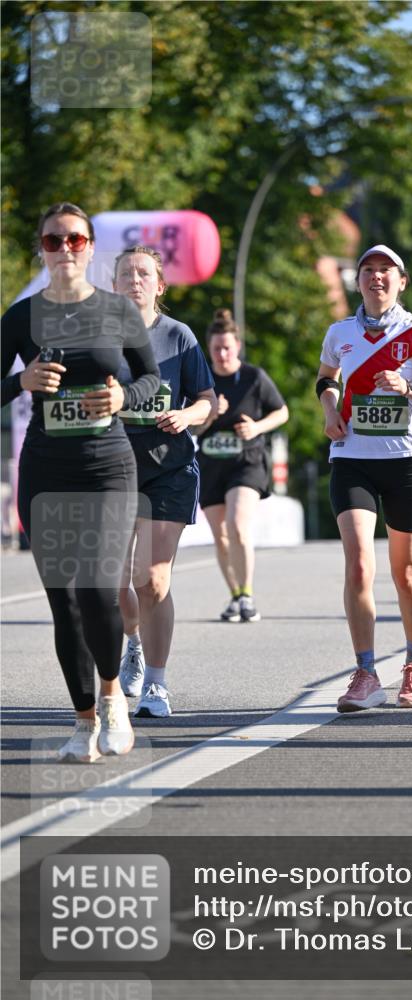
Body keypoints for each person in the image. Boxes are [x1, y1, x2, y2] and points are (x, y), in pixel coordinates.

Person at [0, 202, 160, 762]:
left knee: (97, 589)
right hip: (46, 470)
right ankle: (82, 720)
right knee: (63, 602)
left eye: (74, 240)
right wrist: (20, 379)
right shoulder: (20, 318)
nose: (64, 249)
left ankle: (114, 697)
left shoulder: (117, 311)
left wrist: (123, 397)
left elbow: (150, 377)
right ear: (40, 248)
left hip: (107, 466)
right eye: (52, 241)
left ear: (90, 247)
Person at [317, 244, 412, 712]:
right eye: (368, 270)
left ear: (401, 282)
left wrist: (409, 388)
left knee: (407, 573)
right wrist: (330, 408)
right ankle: (365, 673)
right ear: (357, 281)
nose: (376, 277)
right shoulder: (340, 332)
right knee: (358, 565)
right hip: (352, 458)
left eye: (386, 271)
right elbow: (326, 377)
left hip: (406, 463)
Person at [113, 246, 216, 718]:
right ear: (114, 285)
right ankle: (131, 642)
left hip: (167, 468)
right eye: (126, 273)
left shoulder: (180, 337)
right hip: (111, 468)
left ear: (160, 285)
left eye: (144, 273)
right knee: (115, 585)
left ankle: (156, 684)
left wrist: (186, 415)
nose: (135, 280)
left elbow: (208, 400)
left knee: (151, 580)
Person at [196, 309, 288, 622]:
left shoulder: (253, 377)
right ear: (209, 349)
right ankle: (234, 596)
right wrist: (209, 413)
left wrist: (257, 428)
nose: (222, 354)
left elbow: (282, 412)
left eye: (227, 347)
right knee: (220, 536)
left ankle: (247, 595)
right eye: (216, 349)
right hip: (210, 464)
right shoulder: (201, 379)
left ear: (237, 346)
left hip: (246, 463)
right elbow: (189, 428)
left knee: (237, 525)